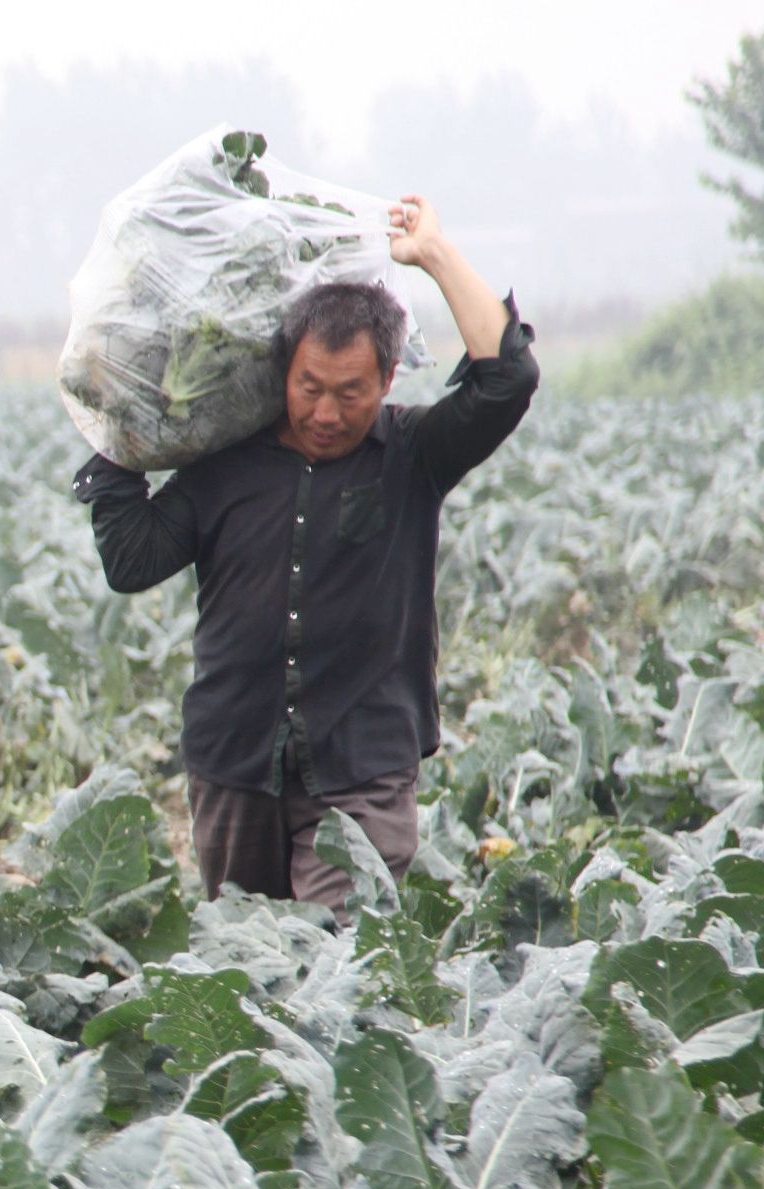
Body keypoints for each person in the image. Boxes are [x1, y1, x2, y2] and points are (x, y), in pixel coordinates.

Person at [74, 195, 536, 911]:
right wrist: (117, 419)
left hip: (363, 768)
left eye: (350, 393)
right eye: (309, 388)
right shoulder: (223, 463)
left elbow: (507, 379)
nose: (326, 413)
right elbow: (132, 560)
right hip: (235, 762)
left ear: (385, 380)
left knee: (336, 971)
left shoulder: (412, 454)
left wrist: (435, 255)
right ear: (279, 374)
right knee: (247, 971)